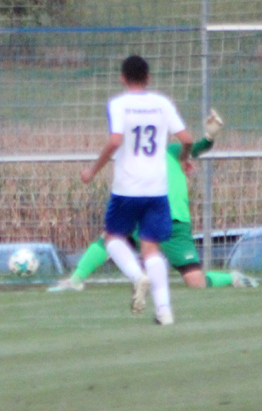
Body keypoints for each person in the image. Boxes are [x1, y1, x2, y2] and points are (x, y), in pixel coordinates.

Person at [51, 109, 257, 293]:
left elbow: (198, 147)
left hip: (176, 223)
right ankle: (75, 280)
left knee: (196, 283)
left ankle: (232, 278)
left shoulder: (173, 152)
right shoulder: (132, 157)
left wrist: (210, 136)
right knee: (110, 237)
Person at [80, 55, 192, 325]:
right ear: (148, 78)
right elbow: (187, 139)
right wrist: (184, 159)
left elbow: (116, 139)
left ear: (122, 78)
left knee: (113, 238)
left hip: (127, 187)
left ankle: (136, 276)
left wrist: (93, 169)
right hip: (156, 189)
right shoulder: (162, 103)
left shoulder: (118, 104)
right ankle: (164, 311)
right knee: (151, 248)